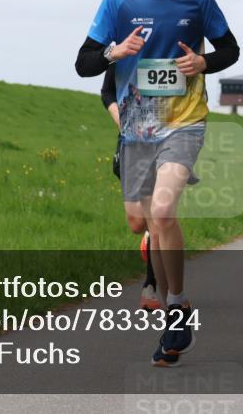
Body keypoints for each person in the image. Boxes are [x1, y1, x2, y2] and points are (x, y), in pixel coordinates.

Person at [75, 0, 240, 367]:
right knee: (144, 222)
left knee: (164, 210)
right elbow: (84, 63)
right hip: (137, 127)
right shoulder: (117, 0)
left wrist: (204, 62)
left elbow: (230, 48)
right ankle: (176, 306)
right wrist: (115, 51)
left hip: (185, 120)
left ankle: (176, 305)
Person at [102, 69, 159, 311]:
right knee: (138, 224)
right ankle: (150, 237)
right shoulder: (127, 46)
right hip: (130, 142)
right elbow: (107, 92)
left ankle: (151, 287)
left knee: (158, 216)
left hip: (168, 141)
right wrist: (122, 119)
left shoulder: (176, 48)